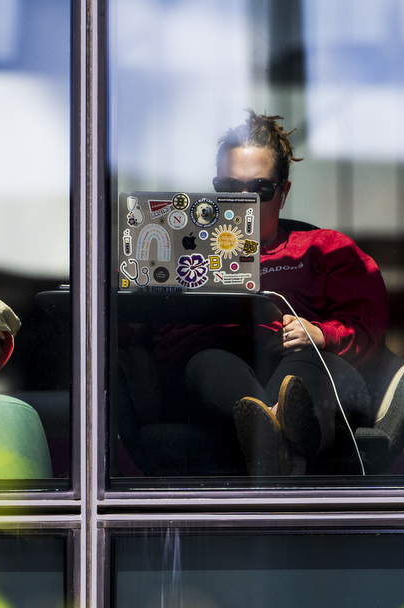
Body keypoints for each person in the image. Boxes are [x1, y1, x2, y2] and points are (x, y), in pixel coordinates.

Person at [149, 111, 388, 476]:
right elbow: (146, 336)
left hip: (305, 365)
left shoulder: (324, 249)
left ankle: (270, 439)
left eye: (259, 190)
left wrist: (321, 334)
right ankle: (283, 442)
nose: (243, 201)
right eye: (229, 188)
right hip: (218, 375)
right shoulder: (184, 257)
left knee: (302, 365)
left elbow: (367, 325)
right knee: (209, 363)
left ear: (283, 192)